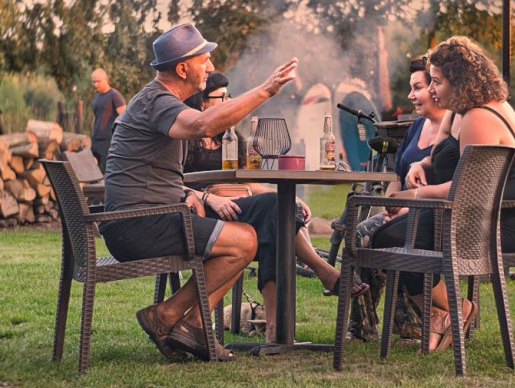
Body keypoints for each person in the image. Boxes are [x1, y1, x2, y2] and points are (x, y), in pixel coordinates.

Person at [100, 22, 296, 361]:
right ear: (182, 68)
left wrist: (194, 194)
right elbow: (204, 124)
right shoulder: (158, 101)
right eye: (204, 59)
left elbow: (149, 171)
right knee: (244, 240)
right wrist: (265, 91)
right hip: (139, 224)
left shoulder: (155, 100)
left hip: (148, 217)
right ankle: (170, 317)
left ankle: (192, 327)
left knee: (263, 210)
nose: (210, 67)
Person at [373, 36, 515, 354]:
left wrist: (411, 195)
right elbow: (441, 158)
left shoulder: (481, 118)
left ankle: (457, 309)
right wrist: (422, 163)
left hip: (494, 226)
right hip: (469, 217)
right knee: (392, 234)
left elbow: (468, 190)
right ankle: (440, 316)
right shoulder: (463, 111)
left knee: (392, 238)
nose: (430, 91)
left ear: (460, 81)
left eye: (436, 82)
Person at [182, 73, 360, 342]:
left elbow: (253, 185)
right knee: (273, 213)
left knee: (275, 221)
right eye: (222, 97)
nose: (229, 102)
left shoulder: (231, 137)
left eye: (229, 95)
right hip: (208, 213)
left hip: (241, 207)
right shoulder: (185, 137)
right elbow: (174, 184)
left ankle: (276, 330)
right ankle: (322, 270)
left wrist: (291, 199)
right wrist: (209, 197)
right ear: (202, 103)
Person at [348, 56, 449, 341]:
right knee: (360, 235)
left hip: (432, 216)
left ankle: (412, 323)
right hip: (402, 209)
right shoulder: (416, 127)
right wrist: (390, 204)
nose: (410, 96)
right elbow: (396, 174)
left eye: (416, 88)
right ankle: (362, 327)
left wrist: (406, 207)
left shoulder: (452, 132)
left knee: (377, 234)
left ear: (435, 89)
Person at [89, 68, 126, 173]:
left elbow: (124, 118)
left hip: (108, 140)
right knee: (94, 170)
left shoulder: (115, 95)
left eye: (98, 81)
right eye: (93, 81)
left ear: (106, 79)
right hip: (96, 139)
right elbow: (95, 117)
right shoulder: (96, 97)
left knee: (106, 170)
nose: (95, 84)